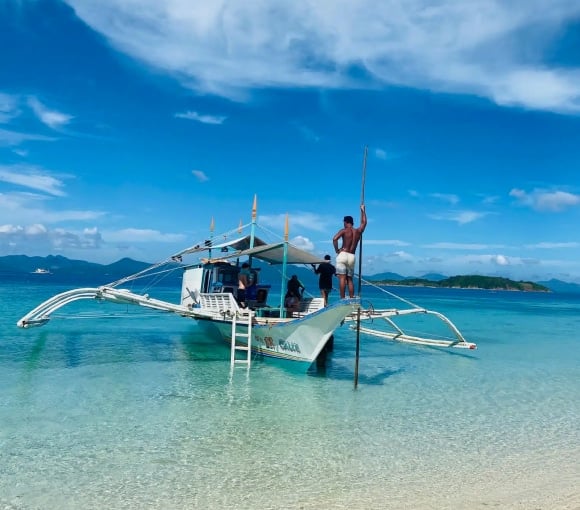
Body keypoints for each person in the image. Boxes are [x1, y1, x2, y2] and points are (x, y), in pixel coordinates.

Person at [332, 204, 367, 298]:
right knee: (350, 279)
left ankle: (342, 298)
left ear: (346, 222)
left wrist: (337, 250)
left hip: (343, 254)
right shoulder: (358, 231)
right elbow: (364, 223)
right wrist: (363, 210)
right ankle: (351, 298)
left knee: (342, 278)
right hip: (352, 256)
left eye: (344, 222)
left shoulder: (344, 230)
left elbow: (334, 239)